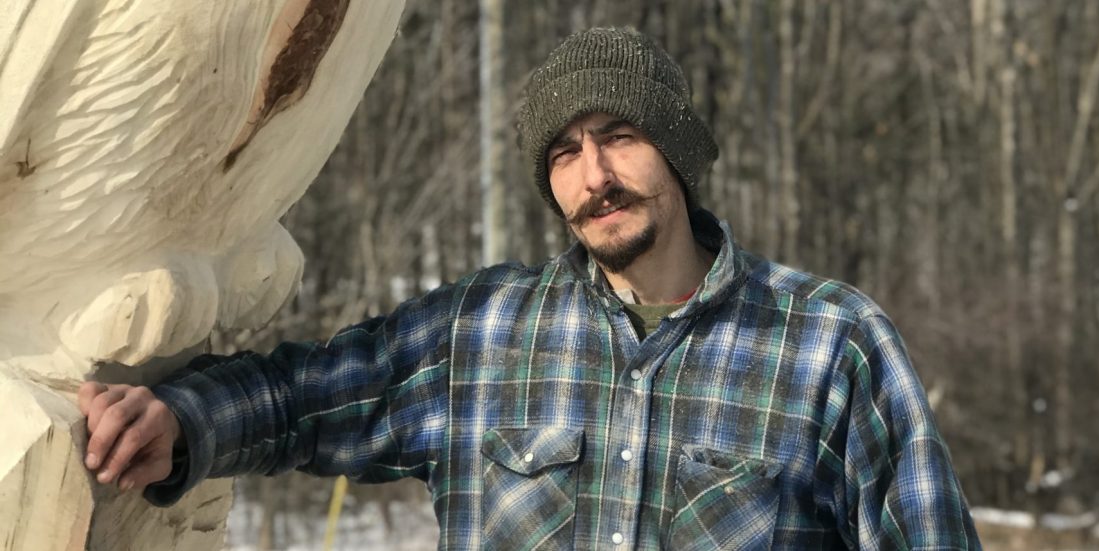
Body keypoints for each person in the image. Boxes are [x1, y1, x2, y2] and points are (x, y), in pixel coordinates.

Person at [78, 27, 982, 549]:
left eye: (618, 136)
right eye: (562, 153)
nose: (593, 175)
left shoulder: (830, 343)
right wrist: (182, 421)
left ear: (679, 150)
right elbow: (300, 397)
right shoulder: (482, 334)